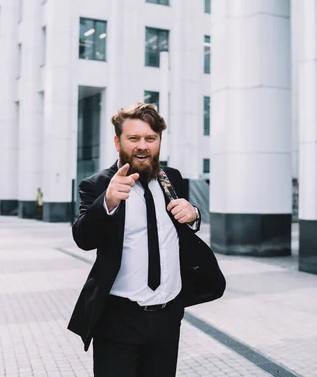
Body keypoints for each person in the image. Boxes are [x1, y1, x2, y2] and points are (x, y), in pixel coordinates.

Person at [68, 103, 226, 376]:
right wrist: (107, 202)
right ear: (118, 142)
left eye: (150, 138)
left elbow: (182, 229)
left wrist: (194, 214)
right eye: (134, 138)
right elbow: (83, 238)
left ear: (159, 141)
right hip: (118, 318)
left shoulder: (171, 178)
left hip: (168, 317)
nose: (143, 146)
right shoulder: (97, 185)